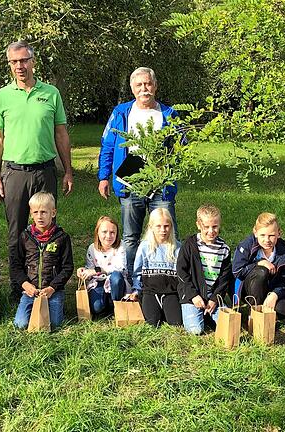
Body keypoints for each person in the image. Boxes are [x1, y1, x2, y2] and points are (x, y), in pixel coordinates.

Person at [0, 40, 73, 301]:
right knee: (16, 232)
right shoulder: (2, 96)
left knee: (47, 229)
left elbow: (61, 134)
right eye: (14, 62)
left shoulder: (50, 94)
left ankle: (49, 285)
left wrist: (68, 170)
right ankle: (19, 287)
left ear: (33, 62)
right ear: (9, 65)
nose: (19, 66)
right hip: (14, 173)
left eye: (24, 60)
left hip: (45, 171)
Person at [97, 67, 180, 281]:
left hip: (160, 180)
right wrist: (104, 177)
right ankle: (134, 282)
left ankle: (170, 279)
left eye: (148, 84)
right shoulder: (121, 112)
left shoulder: (169, 114)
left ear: (155, 86)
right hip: (130, 176)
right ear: (132, 89)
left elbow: (181, 149)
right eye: (139, 85)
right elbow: (107, 145)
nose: (144, 88)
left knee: (167, 234)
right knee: (131, 236)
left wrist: (169, 166)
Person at [12, 192, 73, 330]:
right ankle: (30, 305)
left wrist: (53, 287)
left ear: (53, 213)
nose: (40, 216)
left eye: (44, 212)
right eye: (36, 212)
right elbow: (15, 266)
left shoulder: (62, 238)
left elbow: (67, 267)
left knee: (55, 324)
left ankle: (57, 305)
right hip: (30, 290)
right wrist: (25, 284)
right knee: (20, 325)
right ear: (30, 214)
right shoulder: (24, 237)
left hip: (52, 291)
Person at [177, 205, 233, 335]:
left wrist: (214, 298)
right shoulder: (189, 245)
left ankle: (209, 313)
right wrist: (193, 296)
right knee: (196, 331)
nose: (211, 231)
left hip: (213, 295)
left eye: (215, 226)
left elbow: (224, 279)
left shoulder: (224, 249)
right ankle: (200, 314)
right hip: (192, 295)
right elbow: (181, 272)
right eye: (206, 227)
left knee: (227, 326)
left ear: (219, 225)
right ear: (198, 225)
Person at [232, 212, 285, 318]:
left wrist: (275, 294)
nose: (267, 240)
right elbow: (237, 271)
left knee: (283, 310)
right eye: (263, 235)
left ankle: (268, 314)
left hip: (272, 288)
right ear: (255, 233)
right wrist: (258, 263)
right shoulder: (246, 246)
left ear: (279, 233)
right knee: (261, 271)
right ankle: (254, 310)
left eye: (272, 236)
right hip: (250, 287)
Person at [133, 208, 182, 327]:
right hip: (150, 292)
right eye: (158, 226)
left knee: (176, 322)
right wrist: (136, 289)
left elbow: (182, 273)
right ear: (151, 227)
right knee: (152, 322)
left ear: (171, 226)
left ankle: (166, 308)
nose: (162, 230)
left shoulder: (177, 247)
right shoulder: (144, 247)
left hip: (171, 292)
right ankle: (155, 308)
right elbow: (137, 271)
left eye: (166, 226)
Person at [76, 216, 128, 315]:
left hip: (115, 280)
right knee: (97, 308)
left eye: (112, 232)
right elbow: (90, 269)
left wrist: (98, 270)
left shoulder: (120, 246)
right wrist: (84, 271)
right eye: (104, 232)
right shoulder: (92, 248)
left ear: (117, 234)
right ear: (98, 233)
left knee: (116, 277)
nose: (108, 236)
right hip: (98, 280)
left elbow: (120, 267)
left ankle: (115, 303)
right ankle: (105, 302)